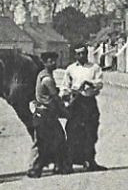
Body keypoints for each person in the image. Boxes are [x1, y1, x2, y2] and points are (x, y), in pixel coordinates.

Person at [61, 45, 105, 171]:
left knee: (90, 132)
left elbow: (99, 83)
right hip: (76, 103)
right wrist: (68, 94)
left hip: (89, 102)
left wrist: (90, 84)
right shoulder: (70, 69)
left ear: (87, 54)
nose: (81, 56)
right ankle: (69, 163)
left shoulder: (94, 68)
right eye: (78, 54)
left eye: (83, 53)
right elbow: (65, 86)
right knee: (73, 131)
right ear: (75, 55)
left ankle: (90, 161)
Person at [28, 50, 71, 178]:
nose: (53, 63)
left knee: (53, 139)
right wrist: (65, 111)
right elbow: (55, 97)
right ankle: (36, 169)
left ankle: (57, 166)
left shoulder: (42, 74)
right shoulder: (47, 79)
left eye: (54, 60)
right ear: (45, 63)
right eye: (50, 61)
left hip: (42, 113)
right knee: (48, 141)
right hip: (45, 114)